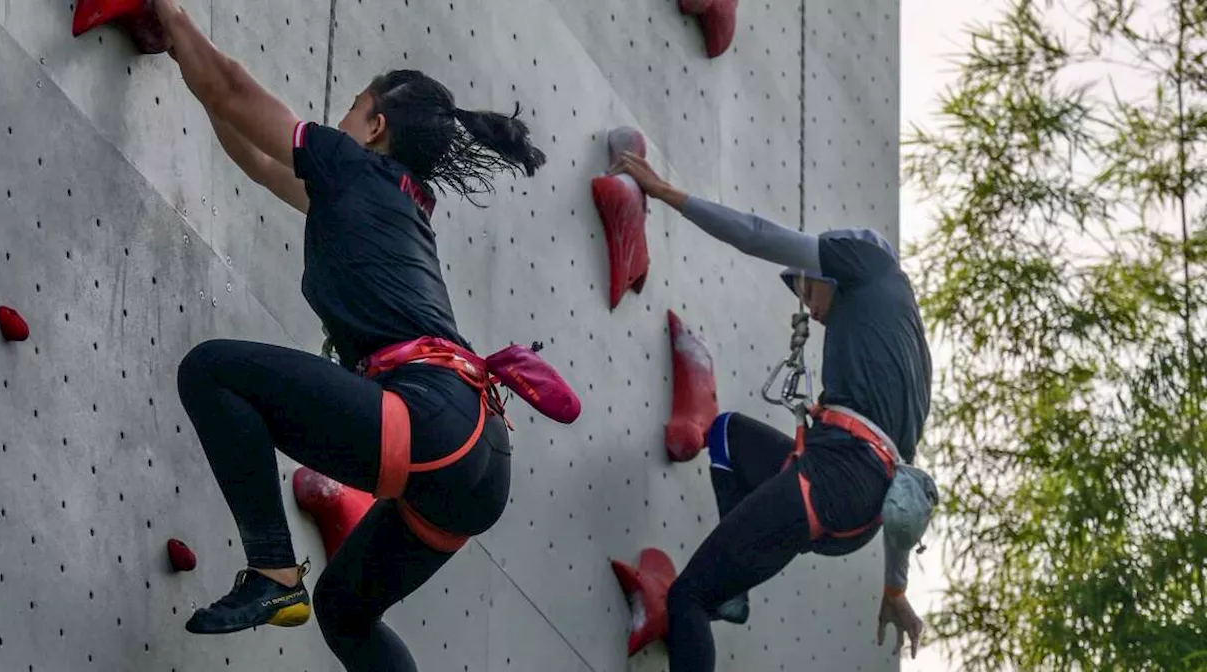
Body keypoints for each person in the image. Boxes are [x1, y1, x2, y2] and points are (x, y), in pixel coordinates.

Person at [149, 1, 546, 670]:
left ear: (375, 126)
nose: (337, 121)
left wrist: (171, 15)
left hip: (430, 423)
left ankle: (274, 572)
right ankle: (286, 585)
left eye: (352, 107)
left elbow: (233, 88)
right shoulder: (393, 200)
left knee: (211, 371)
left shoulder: (350, 167)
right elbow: (252, 150)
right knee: (346, 614)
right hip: (478, 468)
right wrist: (182, 59)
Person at [610, 151, 936, 670]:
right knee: (725, 436)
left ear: (834, 272)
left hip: (831, 481)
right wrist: (895, 586)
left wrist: (665, 192)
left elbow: (758, 234)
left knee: (686, 598)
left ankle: (716, 592)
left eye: (807, 287)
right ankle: (732, 590)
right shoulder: (907, 354)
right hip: (852, 500)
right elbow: (904, 493)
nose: (807, 305)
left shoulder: (870, 265)